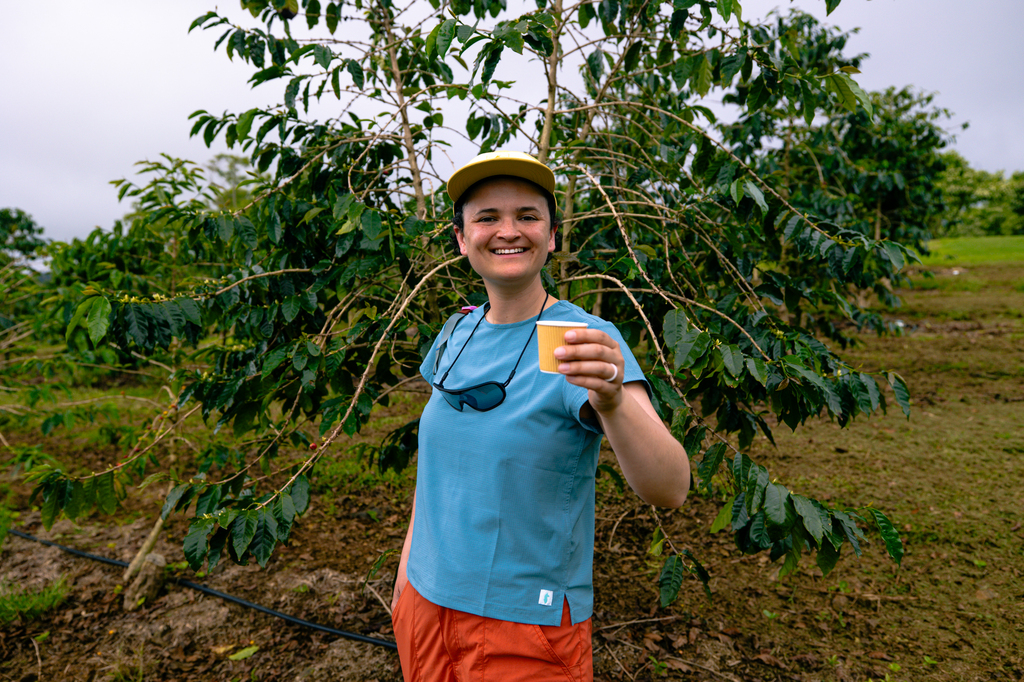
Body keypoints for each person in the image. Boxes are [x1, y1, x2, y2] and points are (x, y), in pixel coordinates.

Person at [390, 150, 689, 682]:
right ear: (461, 238)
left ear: (551, 236)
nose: (508, 231)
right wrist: (406, 577)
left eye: (527, 216)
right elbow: (435, 472)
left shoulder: (581, 340)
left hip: (525, 623)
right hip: (425, 605)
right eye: (487, 217)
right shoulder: (455, 333)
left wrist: (613, 401)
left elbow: (670, 487)